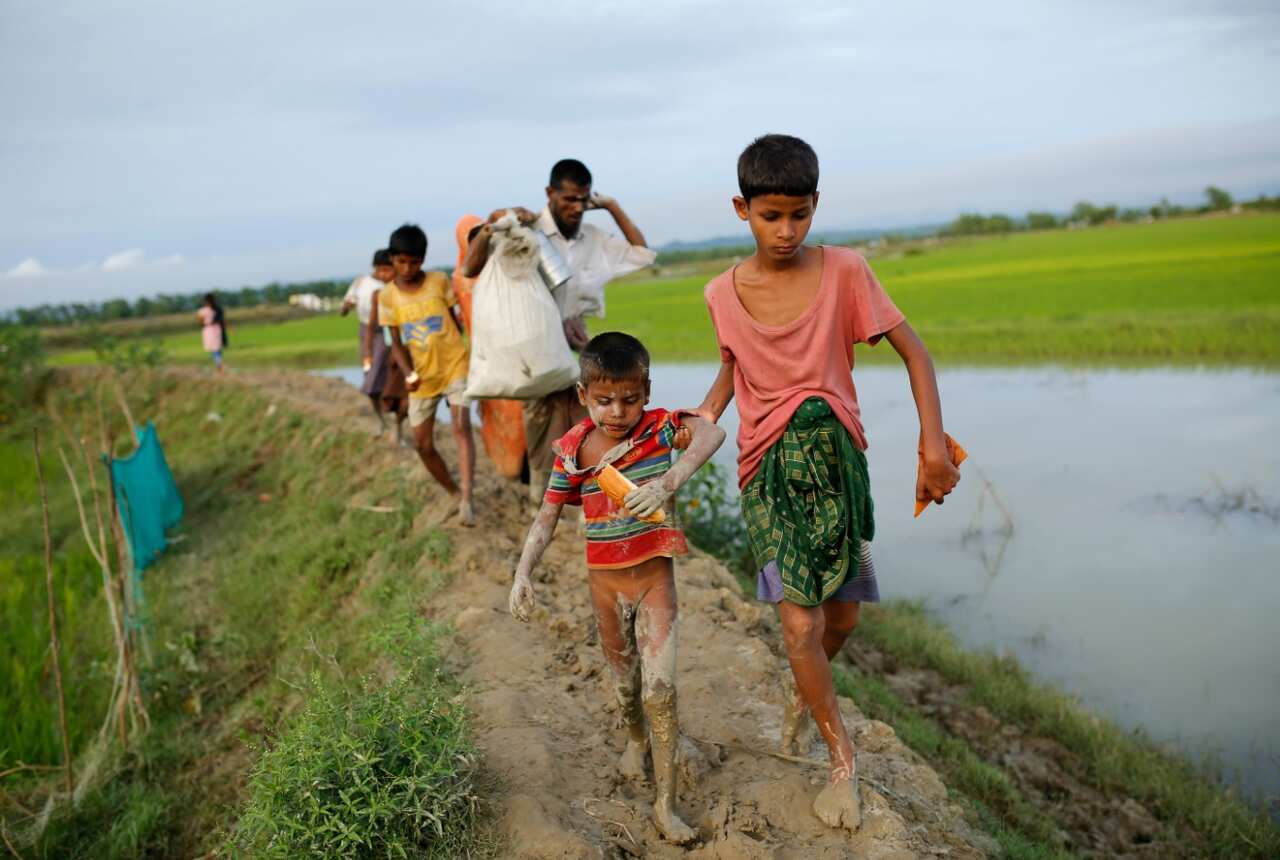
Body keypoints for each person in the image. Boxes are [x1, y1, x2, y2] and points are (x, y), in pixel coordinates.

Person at [694, 135, 961, 831]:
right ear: (742, 209)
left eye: (799, 215)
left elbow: (916, 352)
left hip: (843, 471)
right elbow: (734, 367)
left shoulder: (846, 271)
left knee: (842, 617)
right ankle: (841, 761)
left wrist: (933, 445)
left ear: (816, 206)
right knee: (799, 621)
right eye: (771, 216)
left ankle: (805, 695)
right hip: (768, 474)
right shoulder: (721, 292)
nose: (786, 231)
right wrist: (698, 422)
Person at [509, 332, 725, 845]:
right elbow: (547, 516)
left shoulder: (659, 430)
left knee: (661, 691)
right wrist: (522, 572)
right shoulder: (573, 451)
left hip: (654, 582)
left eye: (630, 399)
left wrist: (668, 482)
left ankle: (665, 804)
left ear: (646, 391)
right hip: (604, 587)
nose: (618, 411)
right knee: (626, 686)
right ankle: (634, 740)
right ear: (583, 396)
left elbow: (712, 434)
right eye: (604, 400)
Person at [461, 159, 657, 505]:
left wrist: (611, 206)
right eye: (568, 199)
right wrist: (495, 223)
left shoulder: (592, 238)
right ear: (550, 194)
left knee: (594, 421)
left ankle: (595, 501)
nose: (577, 208)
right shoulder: (527, 228)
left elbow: (642, 254)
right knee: (541, 424)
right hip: (539, 346)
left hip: (579, 344)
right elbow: (471, 266)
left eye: (583, 200)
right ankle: (544, 499)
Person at [377, 224, 477, 525]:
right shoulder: (388, 297)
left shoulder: (438, 281)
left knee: (461, 425)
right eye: (401, 262)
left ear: (423, 260)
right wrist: (408, 374)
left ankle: (468, 499)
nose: (408, 268)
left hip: (454, 364)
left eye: (414, 261)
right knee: (422, 443)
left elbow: (454, 321)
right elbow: (395, 342)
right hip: (421, 377)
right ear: (392, 260)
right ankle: (452, 491)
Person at [342, 249, 395, 435]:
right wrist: (346, 307)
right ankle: (381, 418)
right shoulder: (361, 283)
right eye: (383, 270)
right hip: (368, 332)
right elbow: (346, 305)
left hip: (387, 332)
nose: (385, 275)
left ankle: (391, 417)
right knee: (370, 374)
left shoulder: (392, 285)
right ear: (376, 268)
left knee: (384, 374)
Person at [197, 293, 227, 372]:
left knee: (213, 349)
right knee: (217, 349)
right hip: (218, 329)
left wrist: (206, 323)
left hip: (208, 330)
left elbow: (200, 322)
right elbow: (222, 321)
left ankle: (218, 364)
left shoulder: (202, 311)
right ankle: (219, 363)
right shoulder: (218, 309)